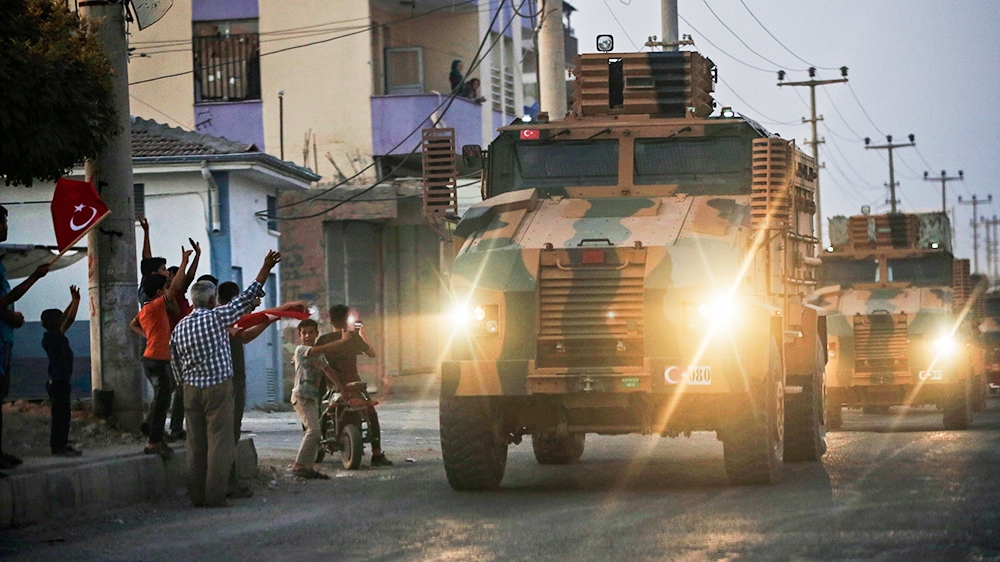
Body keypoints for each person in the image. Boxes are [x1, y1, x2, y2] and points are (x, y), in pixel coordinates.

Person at [170, 251, 289, 507]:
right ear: (213, 299)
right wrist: (266, 266)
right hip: (217, 388)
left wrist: (182, 388)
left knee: (196, 445)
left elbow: (174, 361)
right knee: (220, 444)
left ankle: (197, 496)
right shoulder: (217, 317)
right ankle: (214, 496)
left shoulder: (180, 326)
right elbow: (248, 297)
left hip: (190, 390)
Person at [0, 205, 49, 477]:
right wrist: (34, 277)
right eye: (2, 222)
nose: (6, 227)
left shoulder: (1, 264)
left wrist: (9, 318)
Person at [130, 247, 191, 458]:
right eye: (164, 288)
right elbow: (175, 288)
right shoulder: (156, 306)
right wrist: (184, 262)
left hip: (156, 358)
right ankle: (153, 442)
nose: (168, 290)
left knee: (162, 400)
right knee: (161, 403)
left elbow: (132, 325)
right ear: (158, 293)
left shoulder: (147, 308)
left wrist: (148, 335)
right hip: (157, 360)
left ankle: (154, 436)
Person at [218, 281, 275, 498]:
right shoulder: (223, 319)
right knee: (230, 433)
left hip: (215, 383)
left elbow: (243, 332)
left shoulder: (209, 319)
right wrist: (268, 318)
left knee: (220, 434)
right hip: (231, 383)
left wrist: (263, 316)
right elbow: (244, 335)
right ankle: (228, 483)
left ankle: (217, 483)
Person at [317, 305, 392, 467]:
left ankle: (318, 440)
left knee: (320, 408)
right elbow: (372, 354)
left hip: (332, 386)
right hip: (354, 386)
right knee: (370, 412)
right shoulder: (353, 337)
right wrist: (362, 335)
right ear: (346, 319)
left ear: (330, 320)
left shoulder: (323, 340)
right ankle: (377, 453)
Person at [290, 318, 355, 479]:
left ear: (316, 334)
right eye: (304, 333)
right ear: (300, 336)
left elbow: (328, 370)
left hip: (311, 398)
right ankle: (299, 465)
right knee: (314, 431)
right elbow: (321, 349)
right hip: (301, 396)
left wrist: (341, 389)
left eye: (310, 332)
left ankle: (308, 467)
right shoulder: (301, 350)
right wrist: (342, 340)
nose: (307, 336)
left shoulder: (319, 355)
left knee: (315, 433)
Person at [41, 286, 81, 457]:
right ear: (53, 323)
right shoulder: (52, 337)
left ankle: (61, 444)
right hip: (58, 382)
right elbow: (68, 319)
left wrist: (74, 302)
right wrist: (75, 302)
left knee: (63, 416)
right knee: (60, 416)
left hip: (60, 381)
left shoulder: (55, 335)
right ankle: (58, 447)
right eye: (58, 319)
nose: (62, 320)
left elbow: (66, 319)